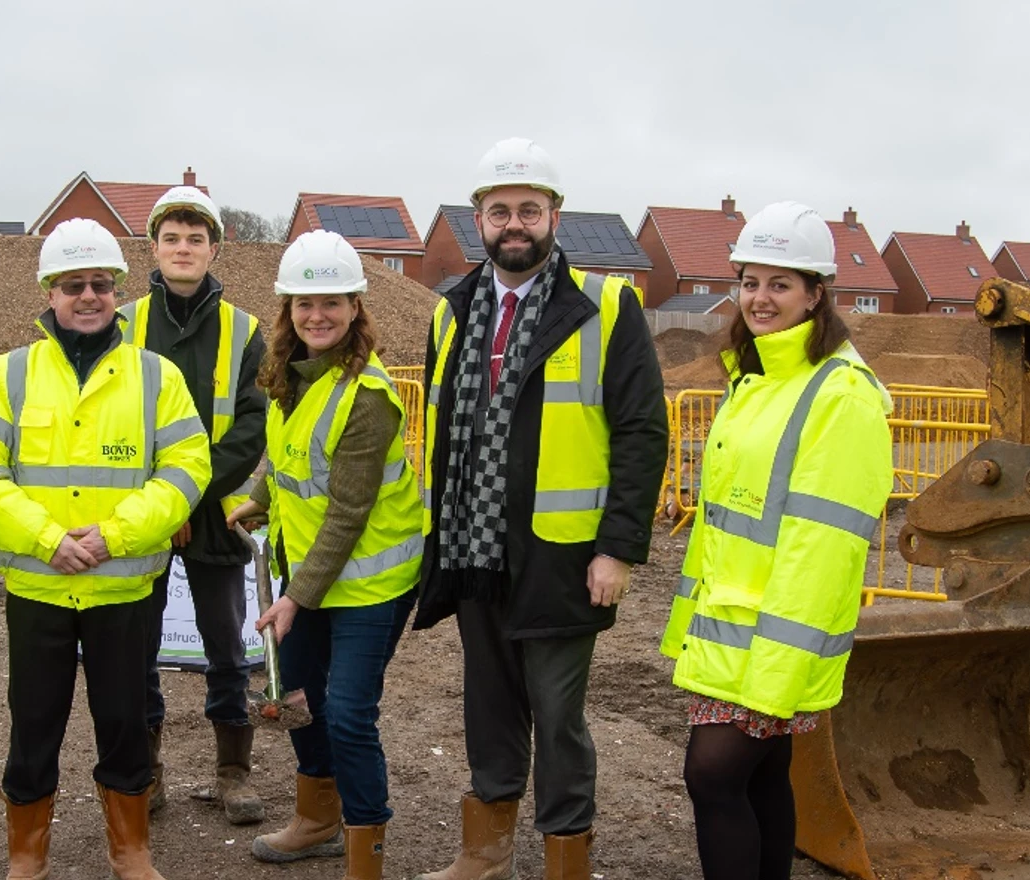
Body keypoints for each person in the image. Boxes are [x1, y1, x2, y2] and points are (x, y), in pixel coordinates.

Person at [413, 138, 668, 880]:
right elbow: (441, 436)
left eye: (529, 209)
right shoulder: (449, 312)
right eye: (500, 211)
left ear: (555, 215)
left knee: (558, 719)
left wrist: (617, 548)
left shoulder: (607, 306)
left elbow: (641, 433)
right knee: (489, 710)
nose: (514, 223)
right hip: (474, 551)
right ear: (479, 221)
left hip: (561, 554)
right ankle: (484, 855)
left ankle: (566, 860)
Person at [0, 218, 210, 880]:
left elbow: (186, 468)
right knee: (33, 723)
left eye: (100, 284)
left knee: (125, 722)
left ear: (117, 290)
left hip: (123, 588)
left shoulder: (156, 377)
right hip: (39, 588)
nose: (89, 296)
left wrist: (113, 536)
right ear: (49, 292)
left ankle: (130, 850)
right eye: (74, 285)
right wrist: (47, 541)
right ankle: (26, 855)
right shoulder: (6, 375)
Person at [658, 201, 892, 880]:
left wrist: (776, 675)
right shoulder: (755, 378)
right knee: (763, 777)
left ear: (817, 295)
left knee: (712, 777)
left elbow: (823, 549)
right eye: (751, 282)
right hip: (732, 628)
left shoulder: (839, 395)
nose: (760, 299)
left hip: (773, 642)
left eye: (780, 284)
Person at [229, 229, 422, 880]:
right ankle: (316, 821)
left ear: (355, 309)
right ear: (286, 310)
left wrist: (291, 598)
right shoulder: (293, 375)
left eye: (332, 303)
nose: (317, 315)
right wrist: (255, 496)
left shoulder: (366, 397)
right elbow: (287, 457)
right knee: (299, 695)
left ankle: (364, 854)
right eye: (304, 304)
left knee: (347, 714)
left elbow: (347, 514)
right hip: (309, 572)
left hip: (370, 583)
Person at [122, 186, 269, 823]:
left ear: (215, 248)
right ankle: (145, 772)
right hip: (143, 514)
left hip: (212, 513)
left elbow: (251, 426)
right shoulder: (123, 323)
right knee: (136, 646)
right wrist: (161, 504)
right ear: (153, 247)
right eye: (172, 238)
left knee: (225, 649)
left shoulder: (245, 330)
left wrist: (188, 496)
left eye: (196, 239)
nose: (184, 249)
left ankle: (232, 773)